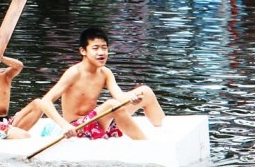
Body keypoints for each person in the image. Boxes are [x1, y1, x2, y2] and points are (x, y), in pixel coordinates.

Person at [37, 28, 165, 140]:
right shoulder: (74, 73)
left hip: (99, 123)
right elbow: (45, 101)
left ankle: (163, 131)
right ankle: (144, 144)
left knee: (145, 92)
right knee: (111, 104)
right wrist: (64, 125)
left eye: (104, 48)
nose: (101, 53)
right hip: (78, 128)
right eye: (95, 48)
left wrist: (132, 99)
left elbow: (119, 96)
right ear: (83, 51)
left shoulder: (105, 72)